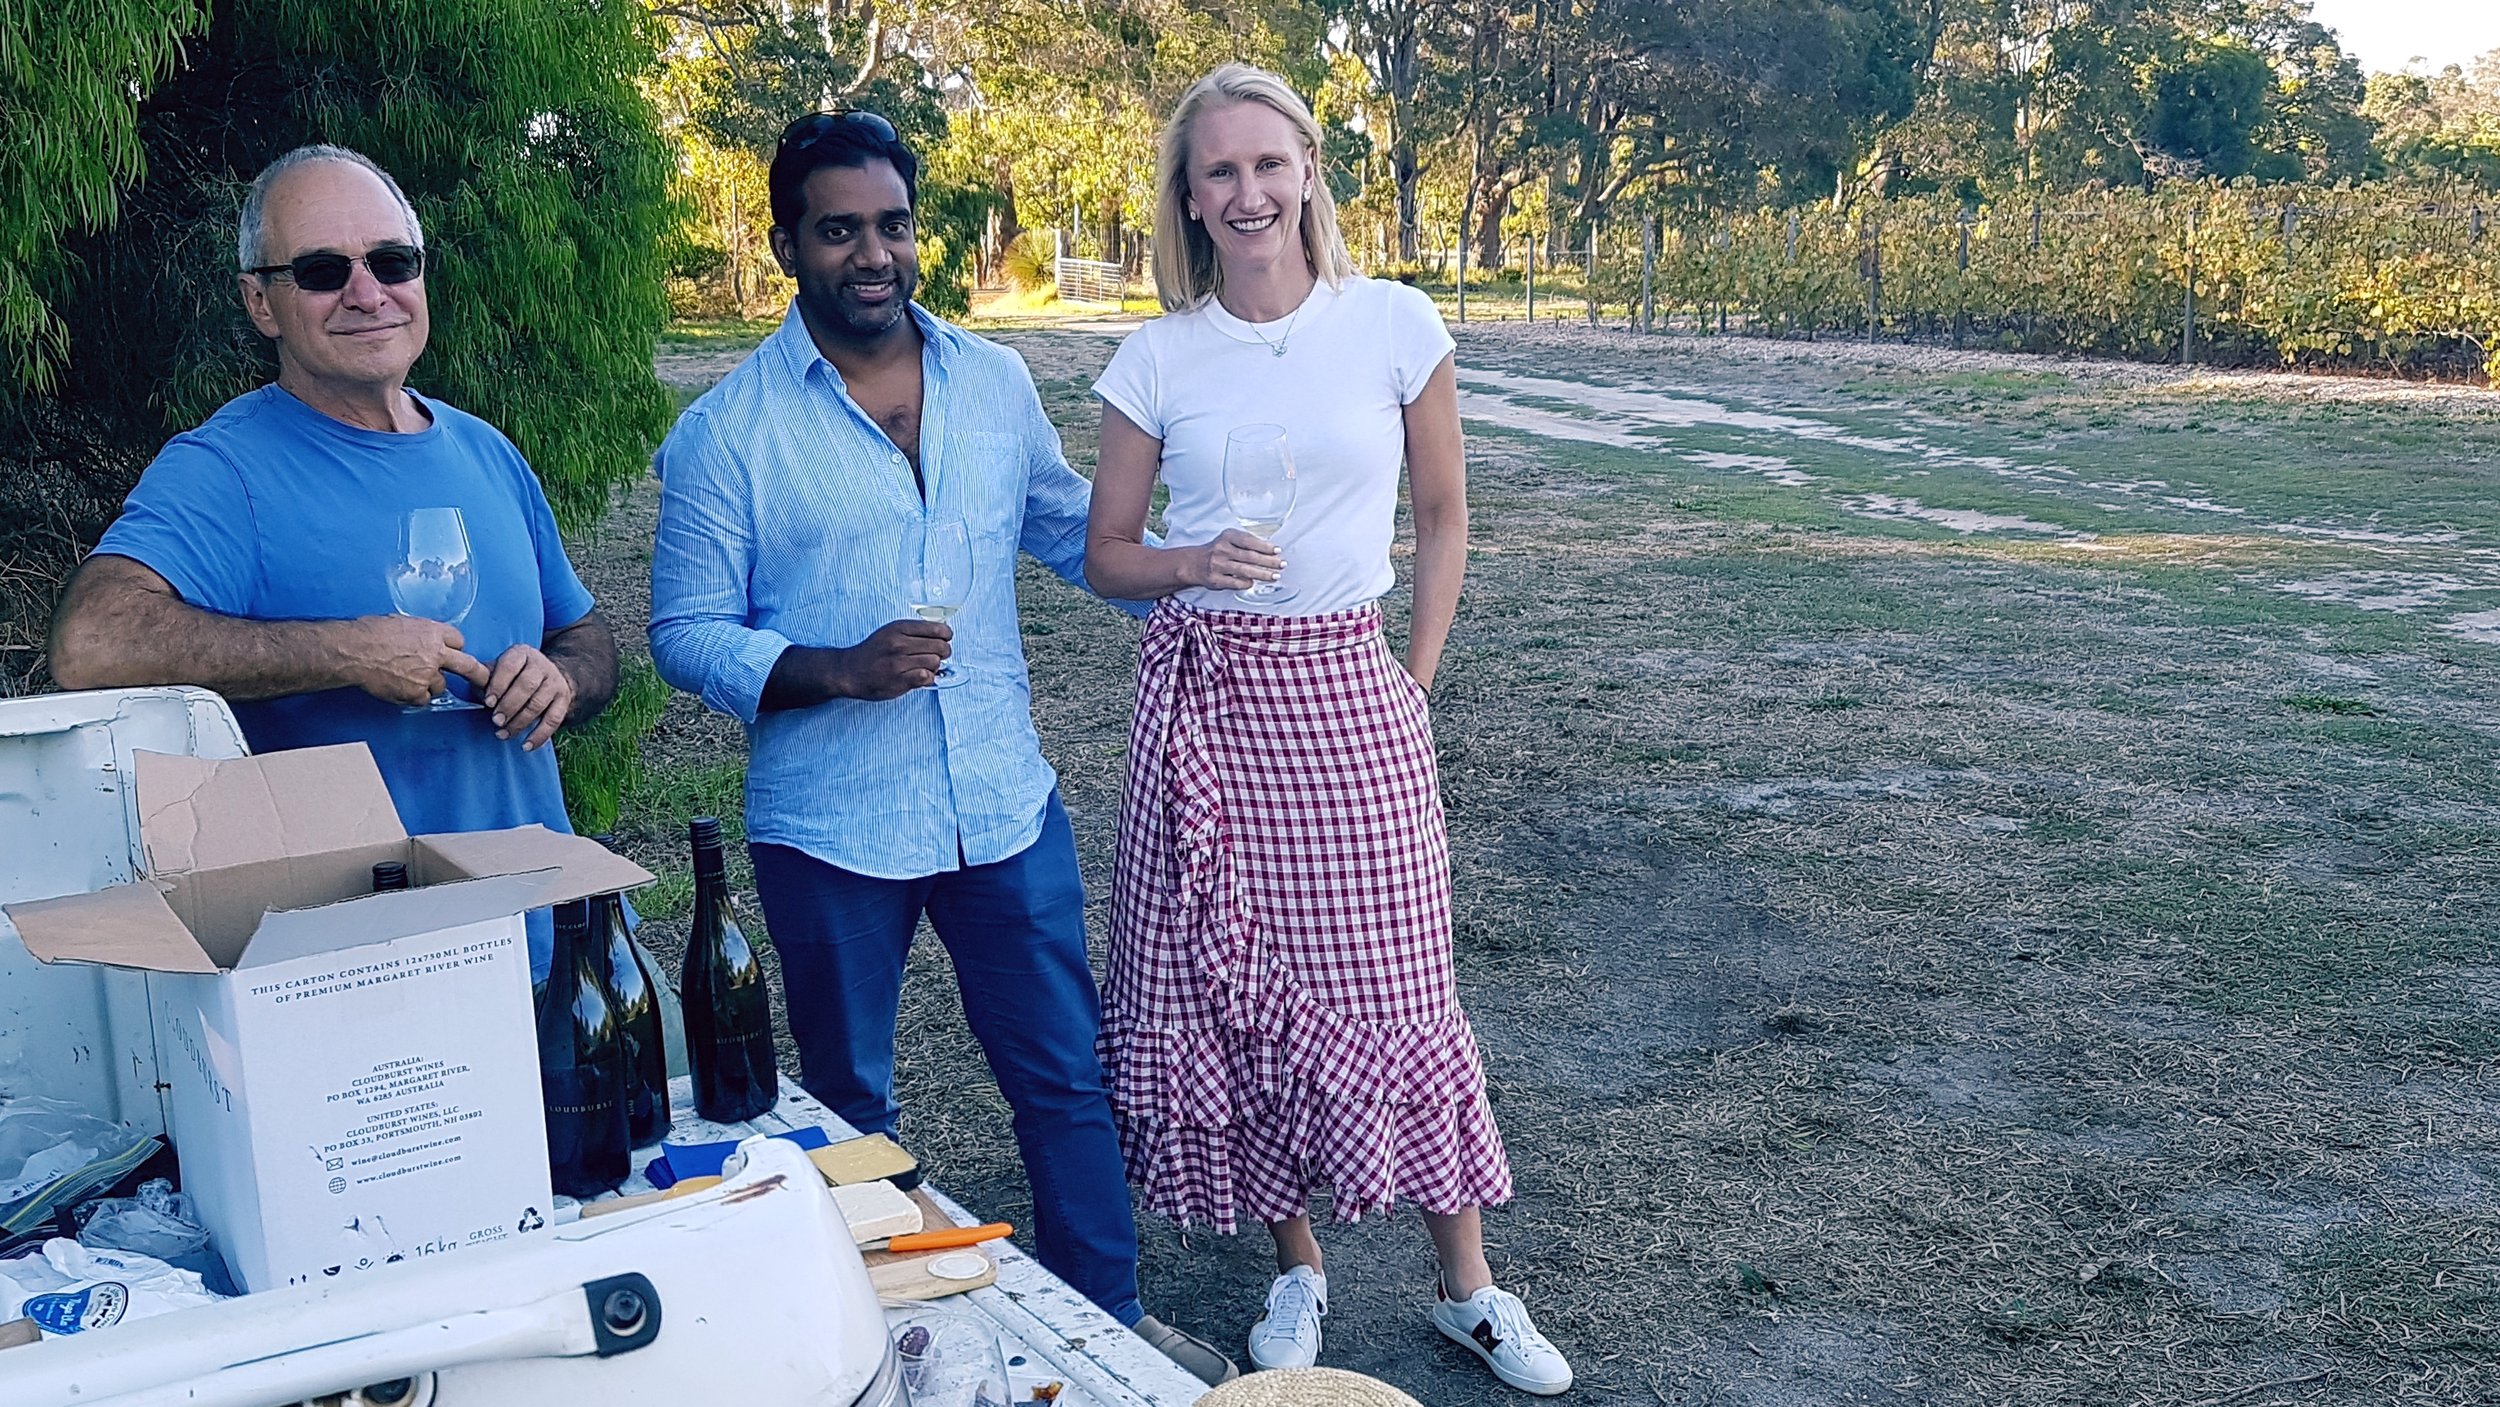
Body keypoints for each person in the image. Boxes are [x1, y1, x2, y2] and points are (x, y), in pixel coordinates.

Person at [644, 110, 1235, 1386]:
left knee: (1067, 1084)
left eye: (893, 225)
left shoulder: (994, 381)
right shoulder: (727, 434)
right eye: (840, 229)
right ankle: (889, 1344)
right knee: (854, 1111)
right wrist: (833, 669)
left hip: (1001, 806)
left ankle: (1106, 1332)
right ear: (787, 240)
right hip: (830, 827)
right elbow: (684, 633)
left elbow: (1065, 527)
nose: (874, 254)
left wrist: (1199, 574)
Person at [1082, 65, 1574, 1395]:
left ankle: (1468, 1286)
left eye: (1267, 165)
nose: (1246, 193)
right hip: (1215, 708)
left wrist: (1413, 675)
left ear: (1307, 172)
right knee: (1233, 993)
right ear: (1191, 197)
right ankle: (1293, 1263)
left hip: (1351, 693)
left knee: (1401, 984)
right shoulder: (1157, 358)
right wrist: (1188, 561)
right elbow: (1107, 556)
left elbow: (1446, 512)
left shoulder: (1395, 324)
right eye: (1219, 173)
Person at [49, 145, 615, 976]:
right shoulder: (224, 470)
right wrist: (341, 652)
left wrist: (560, 679)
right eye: (321, 270)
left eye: (392, 261)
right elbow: (89, 645)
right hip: (359, 972)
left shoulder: (488, 452)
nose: (366, 291)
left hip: (548, 939)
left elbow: (590, 637)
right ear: (261, 303)